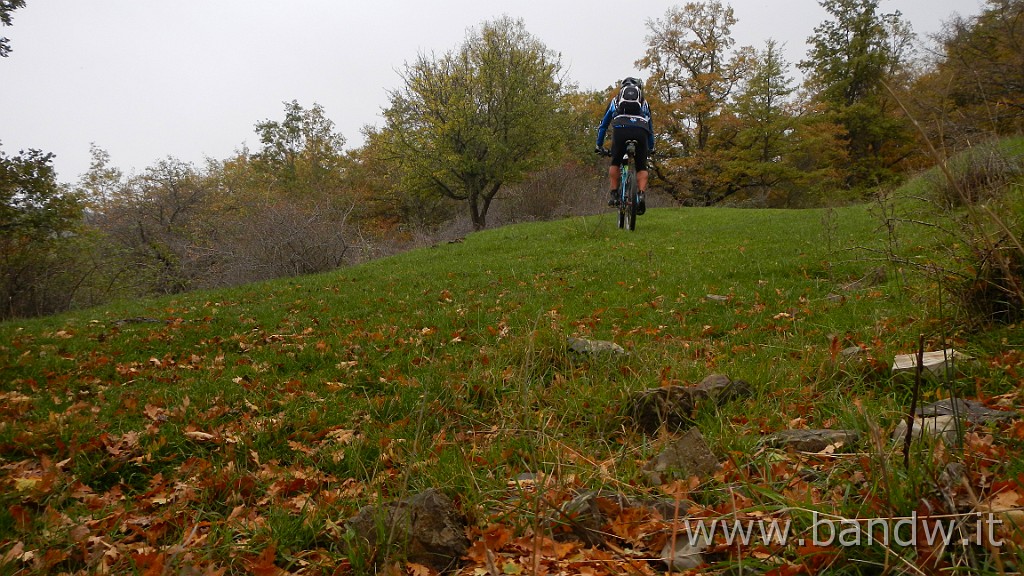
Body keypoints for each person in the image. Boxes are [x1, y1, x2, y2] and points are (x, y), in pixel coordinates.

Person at [595, 77, 655, 214]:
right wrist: (651, 147)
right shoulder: (644, 103)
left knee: (615, 161)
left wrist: (599, 145)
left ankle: (614, 193)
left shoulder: (615, 101)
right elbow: (650, 129)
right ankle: (640, 195)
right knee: (641, 166)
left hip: (621, 130)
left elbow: (603, 126)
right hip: (641, 131)